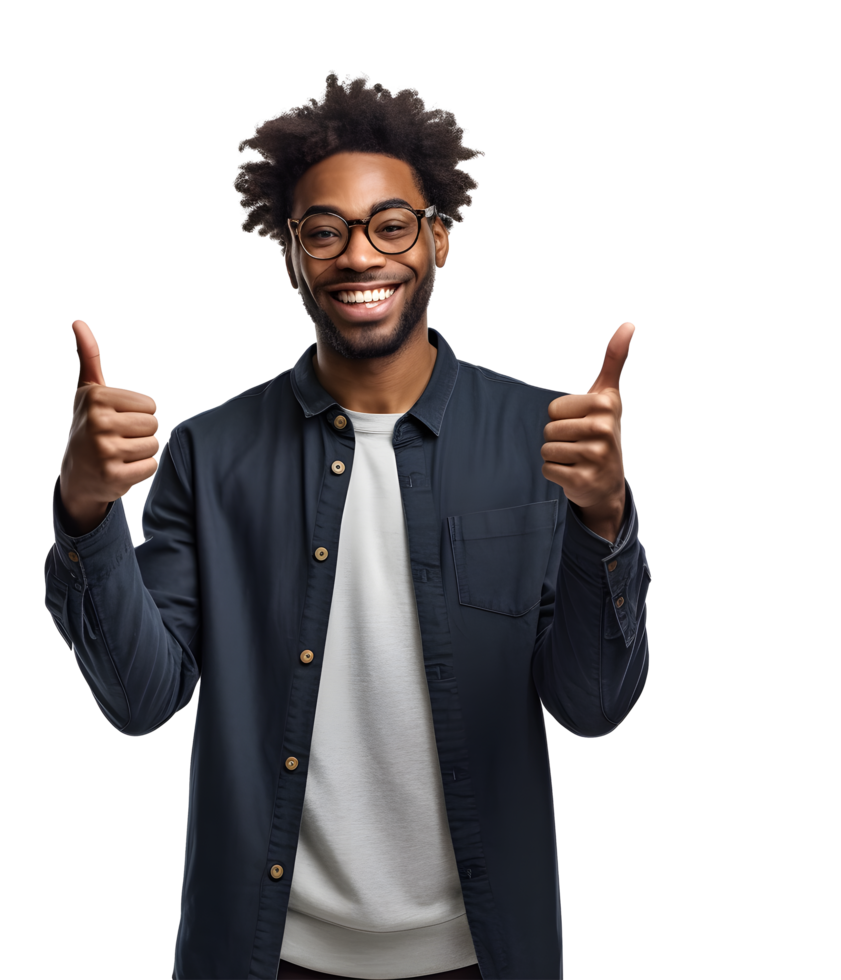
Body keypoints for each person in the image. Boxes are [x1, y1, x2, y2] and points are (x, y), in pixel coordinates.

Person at [43, 68, 652, 980]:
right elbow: (139, 702)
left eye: (391, 225)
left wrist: (604, 519)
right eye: (323, 231)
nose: (360, 256)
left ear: (439, 241)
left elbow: (595, 707)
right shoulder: (210, 453)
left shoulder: (544, 439)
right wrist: (89, 512)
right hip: (260, 952)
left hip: (485, 955)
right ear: (289, 255)